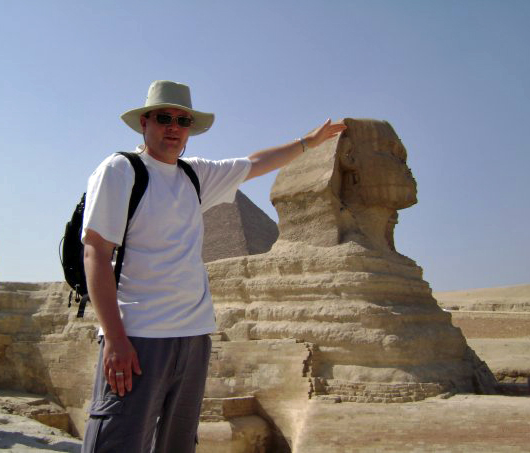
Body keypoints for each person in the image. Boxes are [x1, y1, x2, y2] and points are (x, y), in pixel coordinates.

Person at [81, 80, 346, 453]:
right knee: (118, 442)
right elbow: (95, 251)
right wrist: (114, 337)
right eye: (164, 118)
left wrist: (308, 143)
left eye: (183, 120)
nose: (174, 127)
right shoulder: (120, 170)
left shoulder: (195, 175)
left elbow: (255, 164)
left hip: (193, 338)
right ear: (144, 122)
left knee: (178, 444)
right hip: (139, 337)